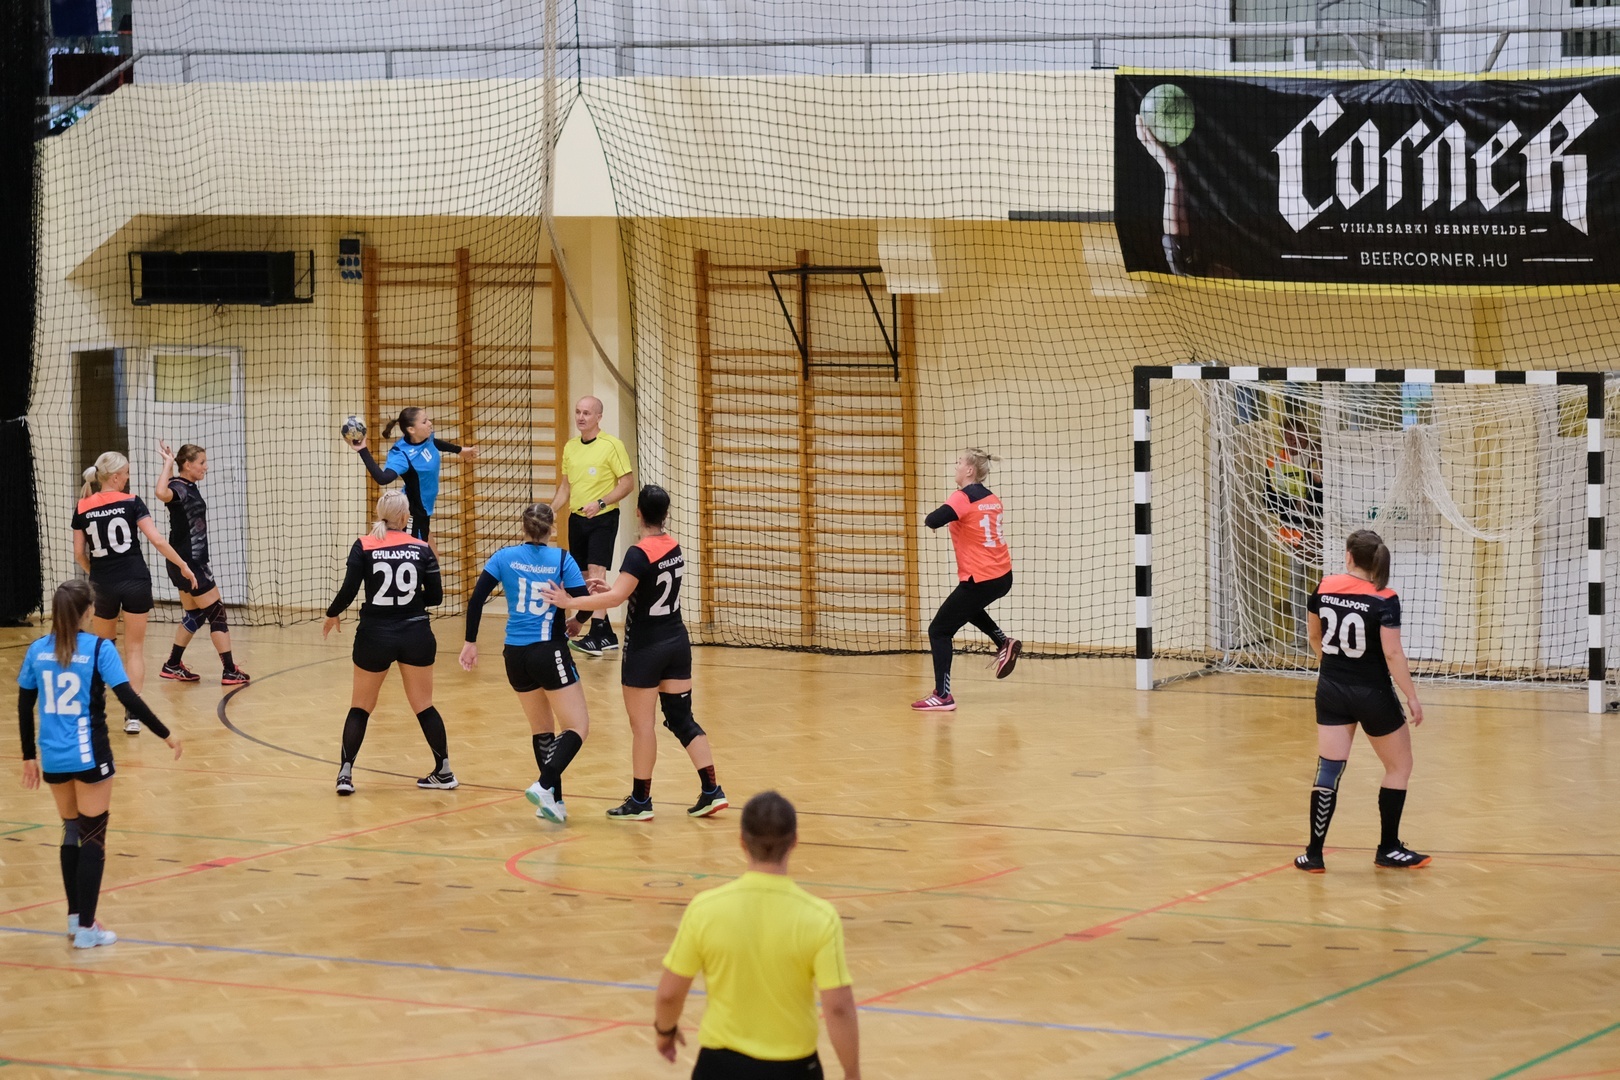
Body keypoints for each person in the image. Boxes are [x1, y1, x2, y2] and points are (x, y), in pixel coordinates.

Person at [541, 484, 726, 821]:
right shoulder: (674, 546)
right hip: (676, 642)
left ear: (638, 512)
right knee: (682, 720)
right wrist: (615, 588)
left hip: (645, 648)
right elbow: (643, 589)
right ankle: (712, 790)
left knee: (643, 727)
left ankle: (641, 800)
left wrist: (571, 601)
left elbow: (616, 599)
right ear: (665, 514)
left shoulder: (638, 553)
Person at [17, 580, 182, 950]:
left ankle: (75, 918)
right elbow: (129, 698)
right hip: (89, 754)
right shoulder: (98, 649)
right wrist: (166, 733)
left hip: (53, 757)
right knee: (93, 836)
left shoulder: (37, 650)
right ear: (88, 611)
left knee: (70, 830)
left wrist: (29, 756)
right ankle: (87, 929)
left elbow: (24, 706)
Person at [654, 791, 860, 1080]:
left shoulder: (705, 909)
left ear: (741, 841)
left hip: (719, 1067)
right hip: (793, 1069)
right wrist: (852, 1072)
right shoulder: (820, 917)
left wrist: (665, 1032)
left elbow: (668, 995)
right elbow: (838, 1008)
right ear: (794, 841)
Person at [1296, 528, 1429, 873]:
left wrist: (1333, 669)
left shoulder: (1325, 586)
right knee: (1399, 767)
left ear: (1349, 556)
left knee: (1329, 768)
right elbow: (1393, 653)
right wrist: (1412, 697)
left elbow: (1314, 635)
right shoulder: (1385, 597)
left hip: (1331, 690)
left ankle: (1314, 854)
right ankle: (1388, 849)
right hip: (1373, 694)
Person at [460, 503, 593, 824]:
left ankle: (553, 802)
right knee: (577, 726)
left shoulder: (503, 557)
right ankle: (544, 785)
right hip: (548, 651)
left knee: (542, 730)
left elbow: (476, 600)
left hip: (515, 655)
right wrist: (577, 621)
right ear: (551, 528)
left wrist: (470, 642)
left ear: (523, 527)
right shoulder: (562, 559)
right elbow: (585, 602)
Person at [322, 491, 454, 795]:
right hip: (415, 634)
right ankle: (444, 771)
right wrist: (408, 602)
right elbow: (436, 597)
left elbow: (349, 590)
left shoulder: (364, 544)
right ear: (406, 517)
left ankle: (345, 775)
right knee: (424, 706)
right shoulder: (422, 548)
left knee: (360, 707)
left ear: (379, 514)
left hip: (375, 635)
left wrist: (332, 614)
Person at [73, 451, 197, 733]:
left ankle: (96, 708)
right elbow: (157, 540)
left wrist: (96, 573)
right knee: (135, 649)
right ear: (116, 477)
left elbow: (79, 553)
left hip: (102, 585)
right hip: (136, 581)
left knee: (103, 647)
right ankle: (133, 715)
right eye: (127, 473)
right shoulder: (132, 502)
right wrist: (183, 566)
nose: (128, 478)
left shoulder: (82, 506)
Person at [912, 449, 1020, 712]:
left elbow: (933, 519)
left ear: (970, 470)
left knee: (939, 631)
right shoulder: (992, 499)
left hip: (980, 578)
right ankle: (1003, 642)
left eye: (959, 462)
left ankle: (943, 695)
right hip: (1002, 576)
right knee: (966, 607)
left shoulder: (962, 497)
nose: (956, 466)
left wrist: (934, 520)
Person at [154, 440, 249, 687]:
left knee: (195, 614)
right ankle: (230, 671)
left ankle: (172, 664)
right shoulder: (179, 487)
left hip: (182, 563)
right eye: (202, 462)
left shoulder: (185, 486)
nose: (206, 467)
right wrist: (167, 464)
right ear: (187, 465)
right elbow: (161, 493)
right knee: (217, 614)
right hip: (191, 564)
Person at [550, 395, 635, 656]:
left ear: (599, 417)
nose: (581, 417)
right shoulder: (571, 447)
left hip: (603, 517)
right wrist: (550, 511)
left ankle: (596, 634)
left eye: (587, 413)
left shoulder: (612, 445)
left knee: (597, 574)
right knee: (583, 577)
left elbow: (627, 484)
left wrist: (600, 502)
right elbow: (566, 487)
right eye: (578, 412)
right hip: (577, 519)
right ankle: (607, 632)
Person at [350, 406, 479, 543]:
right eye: (424, 421)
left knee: (426, 552)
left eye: (427, 419)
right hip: (412, 512)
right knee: (413, 551)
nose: (430, 423)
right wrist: (362, 449)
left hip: (425, 510)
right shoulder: (401, 454)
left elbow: (435, 443)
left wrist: (460, 450)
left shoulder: (427, 438)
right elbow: (383, 478)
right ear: (411, 430)